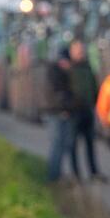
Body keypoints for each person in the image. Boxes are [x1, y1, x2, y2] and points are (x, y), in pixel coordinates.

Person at [67, 40, 106, 182]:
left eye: (81, 50)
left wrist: (96, 103)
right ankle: (76, 174)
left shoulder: (88, 67)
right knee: (73, 144)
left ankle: (93, 172)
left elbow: (94, 86)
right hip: (74, 112)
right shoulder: (69, 69)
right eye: (77, 50)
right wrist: (69, 106)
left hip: (87, 110)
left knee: (90, 144)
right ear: (71, 52)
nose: (80, 52)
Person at [44, 47, 77, 182]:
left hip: (58, 112)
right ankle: (53, 176)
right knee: (58, 144)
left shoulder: (56, 72)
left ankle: (56, 174)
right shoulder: (56, 74)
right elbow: (58, 95)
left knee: (61, 144)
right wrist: (64, 109)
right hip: (57, 113)